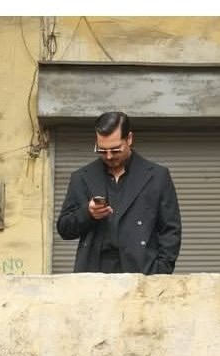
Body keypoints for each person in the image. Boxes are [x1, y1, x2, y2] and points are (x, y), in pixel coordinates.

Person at [56, 112, 182, 274]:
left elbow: (170, 230)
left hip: (142, 273)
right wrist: (88, 213)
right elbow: (64, 229)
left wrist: (160, 271)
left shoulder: (157, 176)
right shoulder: (81, 177)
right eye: (102, 150)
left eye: (115, 150)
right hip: (93, 275)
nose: (109, 156)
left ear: (129, 139)